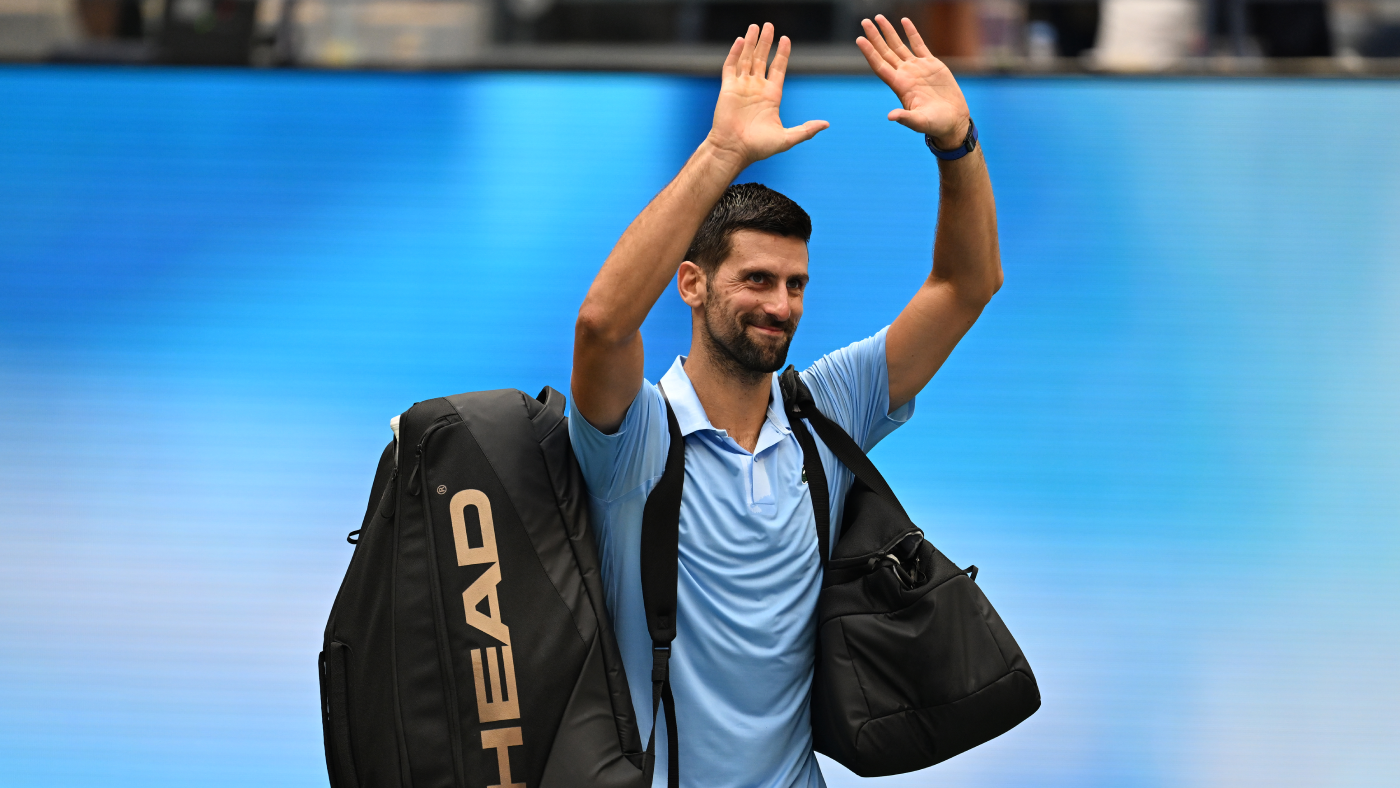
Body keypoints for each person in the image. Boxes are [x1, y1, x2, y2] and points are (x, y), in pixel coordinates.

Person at [568, 16, 1001, 788]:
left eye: (796, 284)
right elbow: (603, 325)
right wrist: (721, 153)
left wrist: (957, 144)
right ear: (691, 284)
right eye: (757, 280)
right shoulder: (636, 438)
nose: (781, 304)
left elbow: (965, 286)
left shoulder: (824, 412)